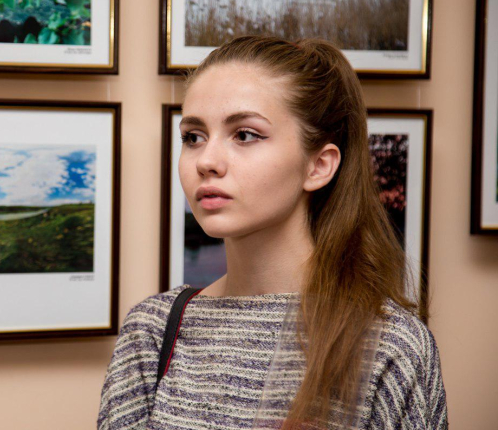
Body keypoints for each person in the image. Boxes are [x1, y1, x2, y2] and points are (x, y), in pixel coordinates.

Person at [97, 36, 448, 429]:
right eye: (193, 137)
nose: (207, 161)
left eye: (245, 134)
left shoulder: (390, 345)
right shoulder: (152, 331)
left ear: (319, 165)